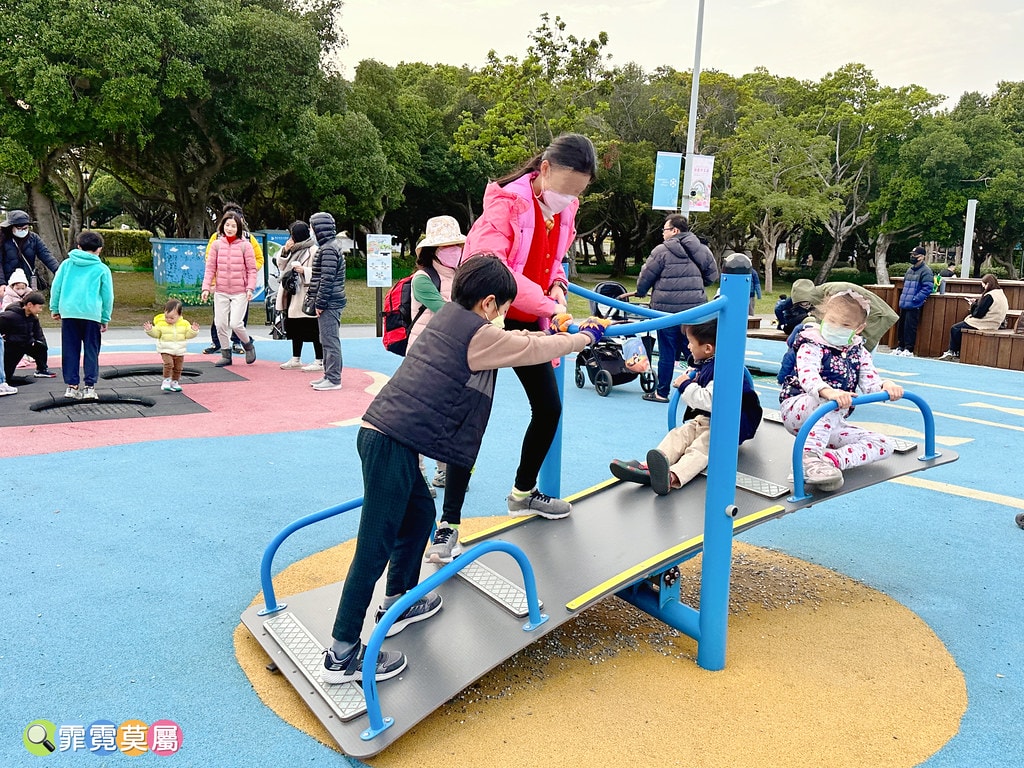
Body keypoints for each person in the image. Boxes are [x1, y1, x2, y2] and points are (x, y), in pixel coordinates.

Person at [321, 255, 609, 683]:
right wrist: (582, 337)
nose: (505, 317)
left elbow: (517, 339)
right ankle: (342, 653)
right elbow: (531, 347)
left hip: (387, 435)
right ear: (489, 303)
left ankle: (398, 599)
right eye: (505, 308)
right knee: (374, 544)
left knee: (419, 515)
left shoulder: (449, 318)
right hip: (391, 442)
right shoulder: (479, 333)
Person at [461, 133, 598, 519]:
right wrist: (551, 307)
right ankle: (447, 521)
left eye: (578, 194)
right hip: (488, 319)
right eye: (566, 190)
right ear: (544, 170)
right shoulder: (505, 205)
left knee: (548, 407)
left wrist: (557, 283)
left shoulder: (564, 209)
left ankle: (523, 493)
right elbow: (495, 269)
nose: (569, 200)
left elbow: (555, 259)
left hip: (529, 321)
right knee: (470, 417)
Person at [609, 318, 762, 496]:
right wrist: (692, 376)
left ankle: (673, 476)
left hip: (732, 425)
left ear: (707, 348)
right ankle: (650, 467)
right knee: (679, 434)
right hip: (709, 418)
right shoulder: (708, 362)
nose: (688, 347)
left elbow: (711, 400)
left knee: (702, 447)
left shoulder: (723, 369)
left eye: (690, 343)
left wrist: (686, 385)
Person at [778, 291, 904, 492]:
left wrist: (886, 386)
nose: (836, 327)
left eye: (845, 325)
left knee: (883, 444)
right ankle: (808, 461)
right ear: (823, 318)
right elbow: (808, 375)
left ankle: (830, 461)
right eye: (831, 321)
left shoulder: (859, 352)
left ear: (859, 329)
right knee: (830, 405)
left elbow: (871, 384)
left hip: (831, 419)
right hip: (799, 409)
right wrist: (829, 392)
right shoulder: (812, 344)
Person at [406, 215, 469, 559]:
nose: (454, 251)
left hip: (452, 355)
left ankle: (445, 470)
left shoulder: (461, 276)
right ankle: (420, 471)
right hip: (424, 355)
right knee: (421, 416)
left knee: (451, 414)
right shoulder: (422, 279)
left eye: (457, 245)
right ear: (433, 250)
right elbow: (445, 312)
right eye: (447, 246)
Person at [624, 214, 719, 403]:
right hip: (694, 311)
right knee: (693, 349)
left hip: (665, 310)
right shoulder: (702, 249)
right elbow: (712, 275)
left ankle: (662, 392)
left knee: (667, 352)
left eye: (665, 230)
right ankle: (701, 389)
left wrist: (642, 292)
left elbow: (646, 276)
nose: (663, 233)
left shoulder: (661, 251)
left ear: (675, 230)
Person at [49, 231, 114, 401]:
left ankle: (71, 386)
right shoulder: (101, 268)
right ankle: (89, 387)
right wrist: (105, 317)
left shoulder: (67, 264)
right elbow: (107, 295)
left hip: (69, 312)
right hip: (91, 314)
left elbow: (57, 286)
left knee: (70, 349)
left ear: (78, 246)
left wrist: (55, 307)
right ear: (99, 249)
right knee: (91, 350)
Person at [202, 203, 264, 356]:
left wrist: (247, 279)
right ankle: (219, 345)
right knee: (219, 321)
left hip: (240, 287)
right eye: (227, 224)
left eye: (235, 224)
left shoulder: (248, 241)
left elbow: (257, 260)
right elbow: (209, 262)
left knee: (237, 321)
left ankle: (240, 342)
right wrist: (208, 285)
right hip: (221, 286)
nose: (230, 228)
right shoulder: (216, 240)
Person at [306, 212, 347, 391]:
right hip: (331, 301)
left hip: (330, 302)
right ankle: (328, 375)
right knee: (327, 339)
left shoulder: (328, 249)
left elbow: (326, 279)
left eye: (312, 227)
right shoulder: (330, 247)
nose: (310, 231)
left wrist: (320, 303)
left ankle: (333, 378)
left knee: (330, 340)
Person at [275, 220, 323, 371]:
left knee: (313, 328)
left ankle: (319, 360)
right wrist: (285, 251)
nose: (292, 238)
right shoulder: (292, 249)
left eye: (294, 235)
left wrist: (305, 271)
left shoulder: (314, 250)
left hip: (306, 292)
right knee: (295, 327)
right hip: (291, 293)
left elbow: (320, 272)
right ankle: (296, 358)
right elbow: (281, 265)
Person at [939, 273, 1008, 361]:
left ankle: (953, 351)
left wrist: (973, 305)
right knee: (960, 328)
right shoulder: (1000, 294)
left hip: (985, 322)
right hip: (995, 322)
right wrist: (977, 302)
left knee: (955, 328)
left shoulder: (989, 296)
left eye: (983, 284)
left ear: (987, 284)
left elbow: (978, 314)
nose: (983, 287)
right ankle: (956, 351)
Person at [0, 210, 61, 298]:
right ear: (11, 227)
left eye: (25, 228)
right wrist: (1, 283)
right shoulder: (3, 239)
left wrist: (59, 272)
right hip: (8, 282)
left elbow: (46, 256)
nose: (23, 231)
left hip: (26, 282)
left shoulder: (34, 238)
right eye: (19, 229)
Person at [144, 299, 200, 392]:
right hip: (165, 349)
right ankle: (166, 380)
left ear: (179, 315)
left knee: (178, 368)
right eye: (166, 317)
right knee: (169, 364)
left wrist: (193, 331)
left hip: (179, 350)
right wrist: (150, 330)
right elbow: (156, 334)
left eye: (172, 318)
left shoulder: (184, 324)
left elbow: (188, 335)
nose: (168, 320)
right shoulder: (161, 324)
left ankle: (175, 382)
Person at [0, 290, 56, 383]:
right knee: (7, 375)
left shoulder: (33, 317)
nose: (41, 310)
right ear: (30, 305)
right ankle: (5, 380)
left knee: (41, 347)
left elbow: (39, 334)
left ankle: (41, 370)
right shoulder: (10, 316)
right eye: (39, 307)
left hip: (27, 343)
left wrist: (42, 344)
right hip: (13, 347)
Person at [894, 246, 934, 357]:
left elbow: (928, 287)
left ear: (922, 257)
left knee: (910, 327)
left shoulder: (926, 271)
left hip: (914, 303)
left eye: (915, 255)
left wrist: (916, 299)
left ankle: (909, 349)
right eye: (912, 254)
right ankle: (900, 347)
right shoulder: (909, 270)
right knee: (901, 326)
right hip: (905, 302)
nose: (913, 257)